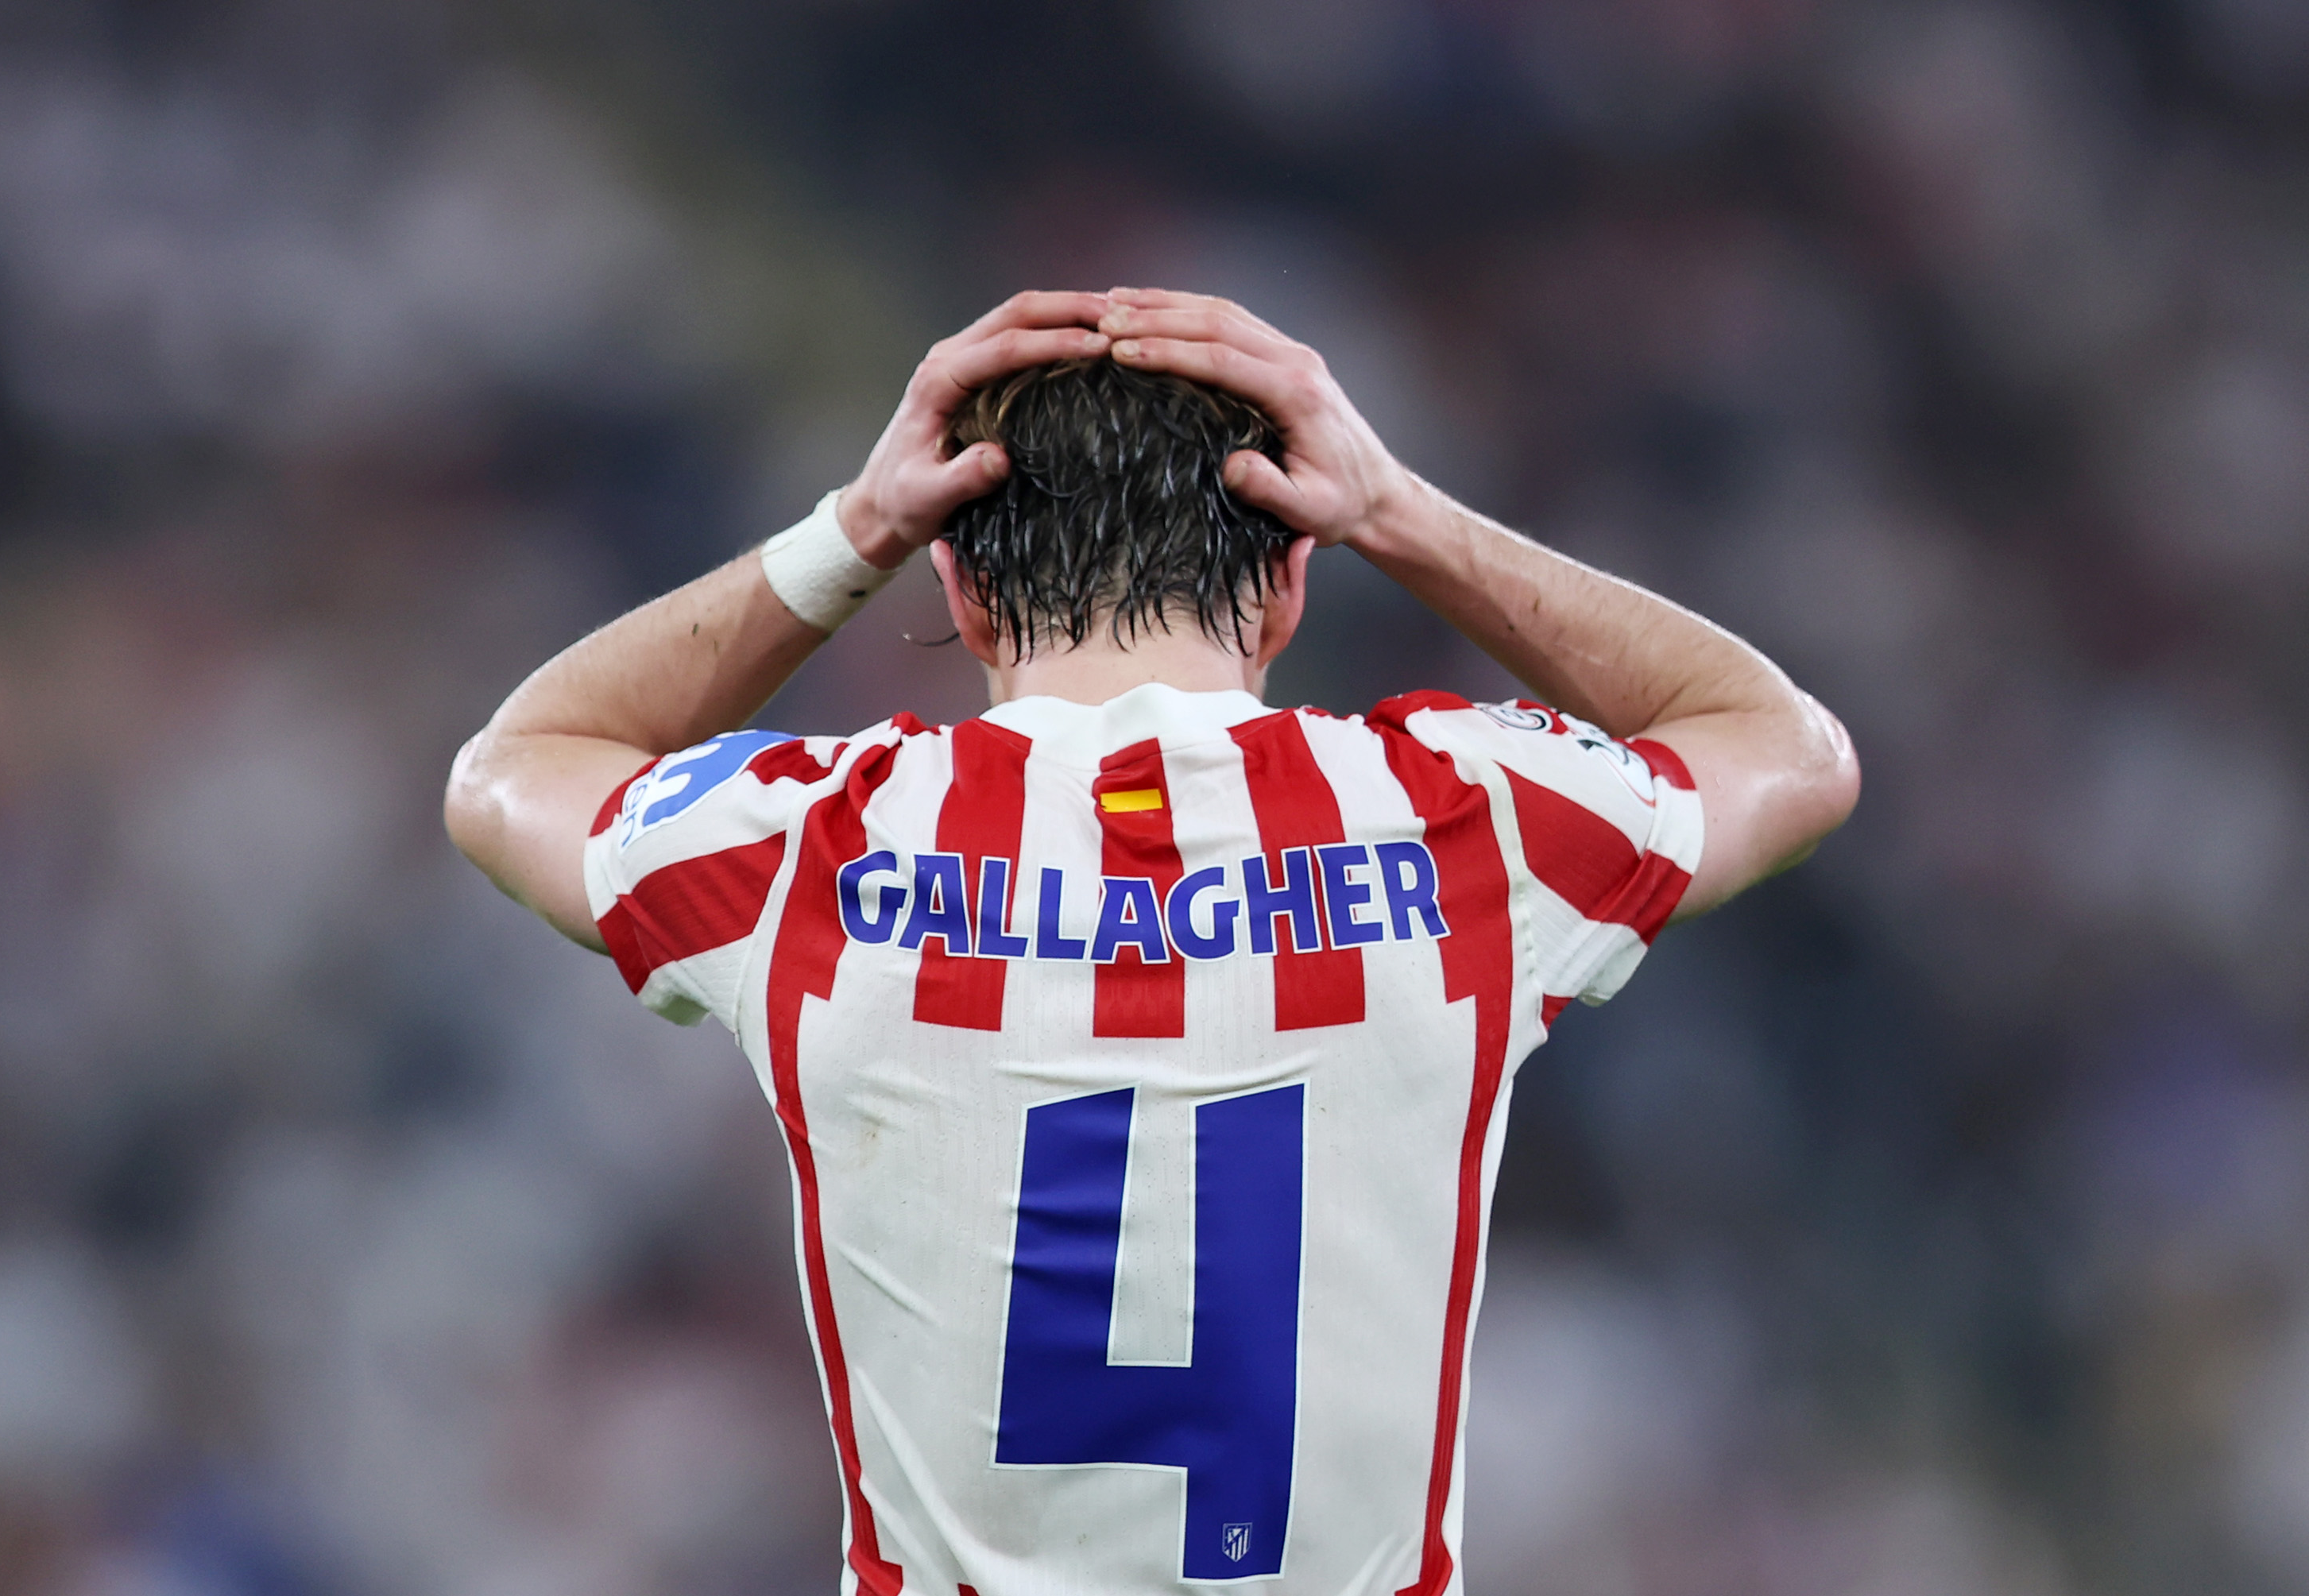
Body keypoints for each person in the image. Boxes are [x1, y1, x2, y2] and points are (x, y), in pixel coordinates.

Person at [445, 288, 1858, 1594]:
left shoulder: (821, 841)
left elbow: (517, 768)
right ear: (1292, 585)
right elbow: (1784, 751)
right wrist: (1400, 511)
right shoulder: (1461, 817)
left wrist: (854, 528)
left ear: (964, 593)